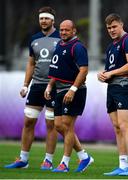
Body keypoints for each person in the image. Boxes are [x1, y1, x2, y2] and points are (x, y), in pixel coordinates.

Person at [4, 6, 60, 170]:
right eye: (41, 18)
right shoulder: (34, 39)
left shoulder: (61, 37)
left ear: (52, 20)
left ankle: (48, 160)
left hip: (55, 87)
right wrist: (25, 85)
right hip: (36, 86)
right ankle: (23, 159)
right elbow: (31, 63)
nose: (43, 21)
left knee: (51, 125)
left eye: (46, 18)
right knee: (28, 121)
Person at [44, 20, 94, 172]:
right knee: (58, 126)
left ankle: (64, 163)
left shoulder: (78, 47)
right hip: (59, 91)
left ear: (74, 31)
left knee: (67, 125)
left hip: (73, 91)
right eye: (61, 29)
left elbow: (84, 70)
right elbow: (56, 68)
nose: (63, 32)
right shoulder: (60, 44)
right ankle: (84, 156)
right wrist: (50, 85)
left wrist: (73, 89)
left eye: (67, 30)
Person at [97, 13, 128, 176]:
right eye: (109, 27)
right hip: (113, 88)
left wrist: (112, 73)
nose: (111, 30)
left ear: (121, 24)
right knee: (117, 128)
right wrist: (103, 74)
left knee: (124, 126)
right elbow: (112, 70)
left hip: (125, 86)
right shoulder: (111, 46)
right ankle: (122, 166)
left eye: (114, 26)